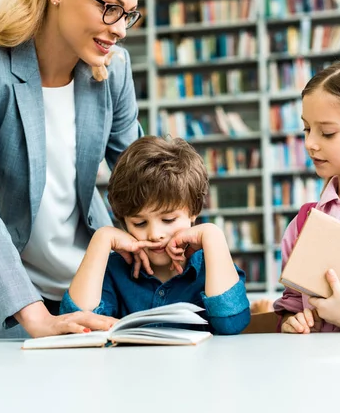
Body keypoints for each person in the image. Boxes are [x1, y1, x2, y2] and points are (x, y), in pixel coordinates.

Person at [0, 0, 145, 340]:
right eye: (109, 6)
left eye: (128, 14)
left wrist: (178, 233)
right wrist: (35, 317)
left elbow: (139, 178)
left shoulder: (113, 70)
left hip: (91, 278)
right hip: (10, 291)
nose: (118, 27)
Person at [61, 136, 251, 335]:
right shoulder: (113, 270)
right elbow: (77, 324)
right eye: (139, 223)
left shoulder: (213, 263)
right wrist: (101, 239)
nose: (155, 235)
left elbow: (232, 324)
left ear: (193, 211)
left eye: (168, 220)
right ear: (124, 221)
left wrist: (213, 236)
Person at [274, 57, 340, 334]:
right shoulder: (303, 223)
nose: (311, 143)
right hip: (316, 372)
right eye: (307, 129)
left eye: (327, 132)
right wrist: (293, 321)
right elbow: (291, 304)